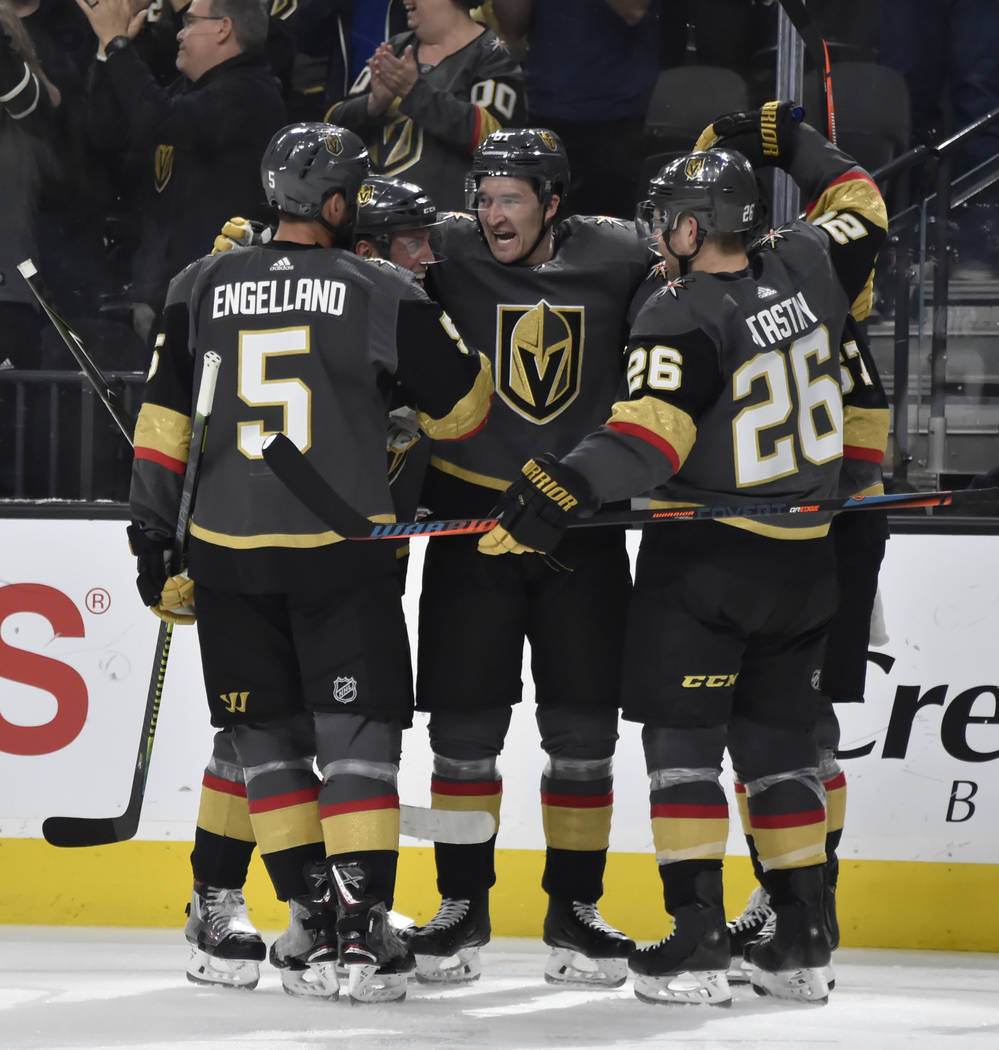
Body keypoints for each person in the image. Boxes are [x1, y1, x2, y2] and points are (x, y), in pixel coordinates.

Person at [475, 103, 888, 1005]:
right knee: (781, 752)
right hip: (807, 558)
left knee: (684, 759)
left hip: (708, 562)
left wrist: (557, 486)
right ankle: (802, 941)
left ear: (694, 227)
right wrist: (789, 139)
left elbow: (650, 438)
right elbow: (859, 199)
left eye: (665, 220)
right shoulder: (810, 261)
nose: (655, 236)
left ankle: (697, 941)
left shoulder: (679, 309)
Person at [127, 121, 493, 1003]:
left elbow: (163, 426)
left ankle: (308, 926)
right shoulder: (375, 287)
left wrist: (151, 541)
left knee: (266, 741)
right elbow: (465, 413)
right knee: (357, 743)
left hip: (225, 551)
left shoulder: (198, 283)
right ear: (339, 205)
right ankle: (360, 938)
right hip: (340, 548)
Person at [401, 127, 651, 988]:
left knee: (582, 733)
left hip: (579, 520)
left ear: (552, 202)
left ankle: (574, 912)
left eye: (510, 197)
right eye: (483, 196)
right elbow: (366, 242)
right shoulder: (449, 244)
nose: (490, 213)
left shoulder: (622, 252)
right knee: (463, 734)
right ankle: (460, 906)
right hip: (471, 517)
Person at [76, 0, 287, 341]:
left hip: (222, 302)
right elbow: (105, 134)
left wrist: (118, 44)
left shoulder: (251, 92)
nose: (179, 33)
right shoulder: (189, 92)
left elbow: (162, 121)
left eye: (189, 21)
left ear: (223, 28)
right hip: (167, 296)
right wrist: (106, 52)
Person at [326, 0, 526, 210]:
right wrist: (373, 105)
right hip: (374, 223)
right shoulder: (395, 49)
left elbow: (495, 140)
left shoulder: (493, 55)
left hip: (449, 228)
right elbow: (333, 133)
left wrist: (415, 92)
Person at [491, 0, 660, 218]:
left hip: (617, 111)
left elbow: (633, 9)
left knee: (608, 238)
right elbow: (511, 25)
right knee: (542, 231)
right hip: (543, 103)